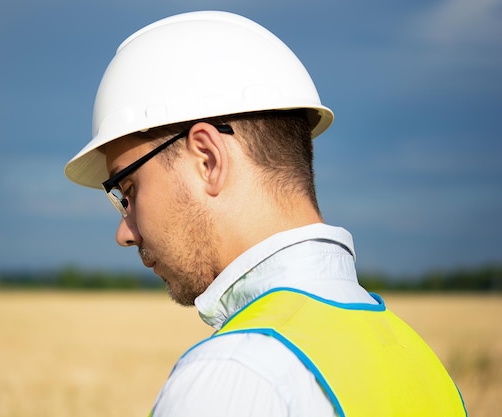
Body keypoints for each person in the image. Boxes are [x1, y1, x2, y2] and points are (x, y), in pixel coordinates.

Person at [65, 10, 466, 417]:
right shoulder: (426, 367)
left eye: (128, 189)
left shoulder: (232, 377)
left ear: (207, 159)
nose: (124, 233)